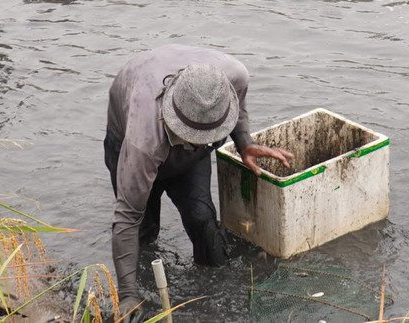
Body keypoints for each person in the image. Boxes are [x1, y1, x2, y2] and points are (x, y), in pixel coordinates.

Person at [105, 45, 293, 321]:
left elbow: (237, 105)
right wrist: (128, 296)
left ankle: (212, 296)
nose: (197, 145)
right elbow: (126, 218)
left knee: (202, 218)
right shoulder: (142, 142)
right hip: (130, 142)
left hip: (184, 143)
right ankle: (142, 287)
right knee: (143, 229)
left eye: (208, 137)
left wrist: (244, 143)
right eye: (191, 137)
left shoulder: (235, 75)